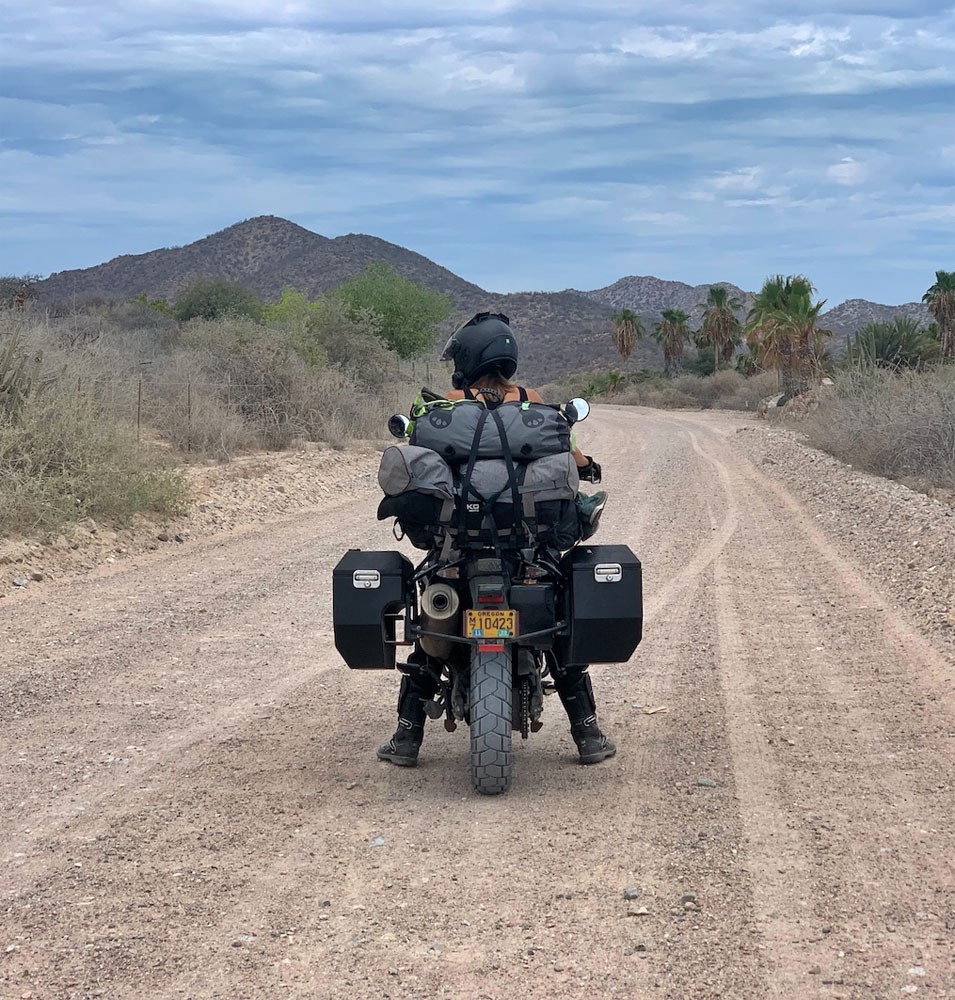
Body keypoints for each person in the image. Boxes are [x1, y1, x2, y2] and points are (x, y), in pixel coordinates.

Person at [377, 312, 616, 768]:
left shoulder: (447, 405)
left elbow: (422, 461)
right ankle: (588, 735)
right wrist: (587, 467)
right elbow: (569, 450)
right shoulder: (532, 401)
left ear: (467, 358)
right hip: (523, 542)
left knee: (432, 627)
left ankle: (406, 737)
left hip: (460, 543)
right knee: (557, 623)